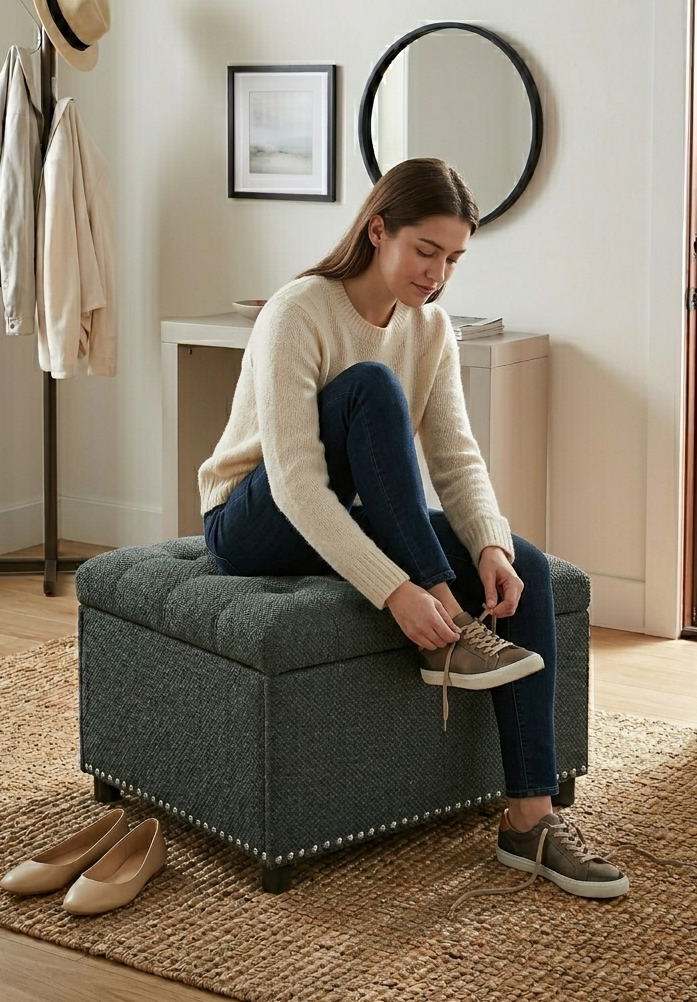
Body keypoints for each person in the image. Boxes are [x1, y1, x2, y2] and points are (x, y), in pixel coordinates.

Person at [198, 158, 628, 899]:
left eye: (454, 259)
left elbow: (455, 457)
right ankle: (453, 625)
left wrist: (489, 543)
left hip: (342, 513)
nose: (437, 274)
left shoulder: (430, 329)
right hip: (253, 518)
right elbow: (298, 484)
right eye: (426, 251)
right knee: (369, 386)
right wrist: (402, 590)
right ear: (378, 231)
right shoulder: (299, 310)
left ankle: (530, 817)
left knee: (525, 561)